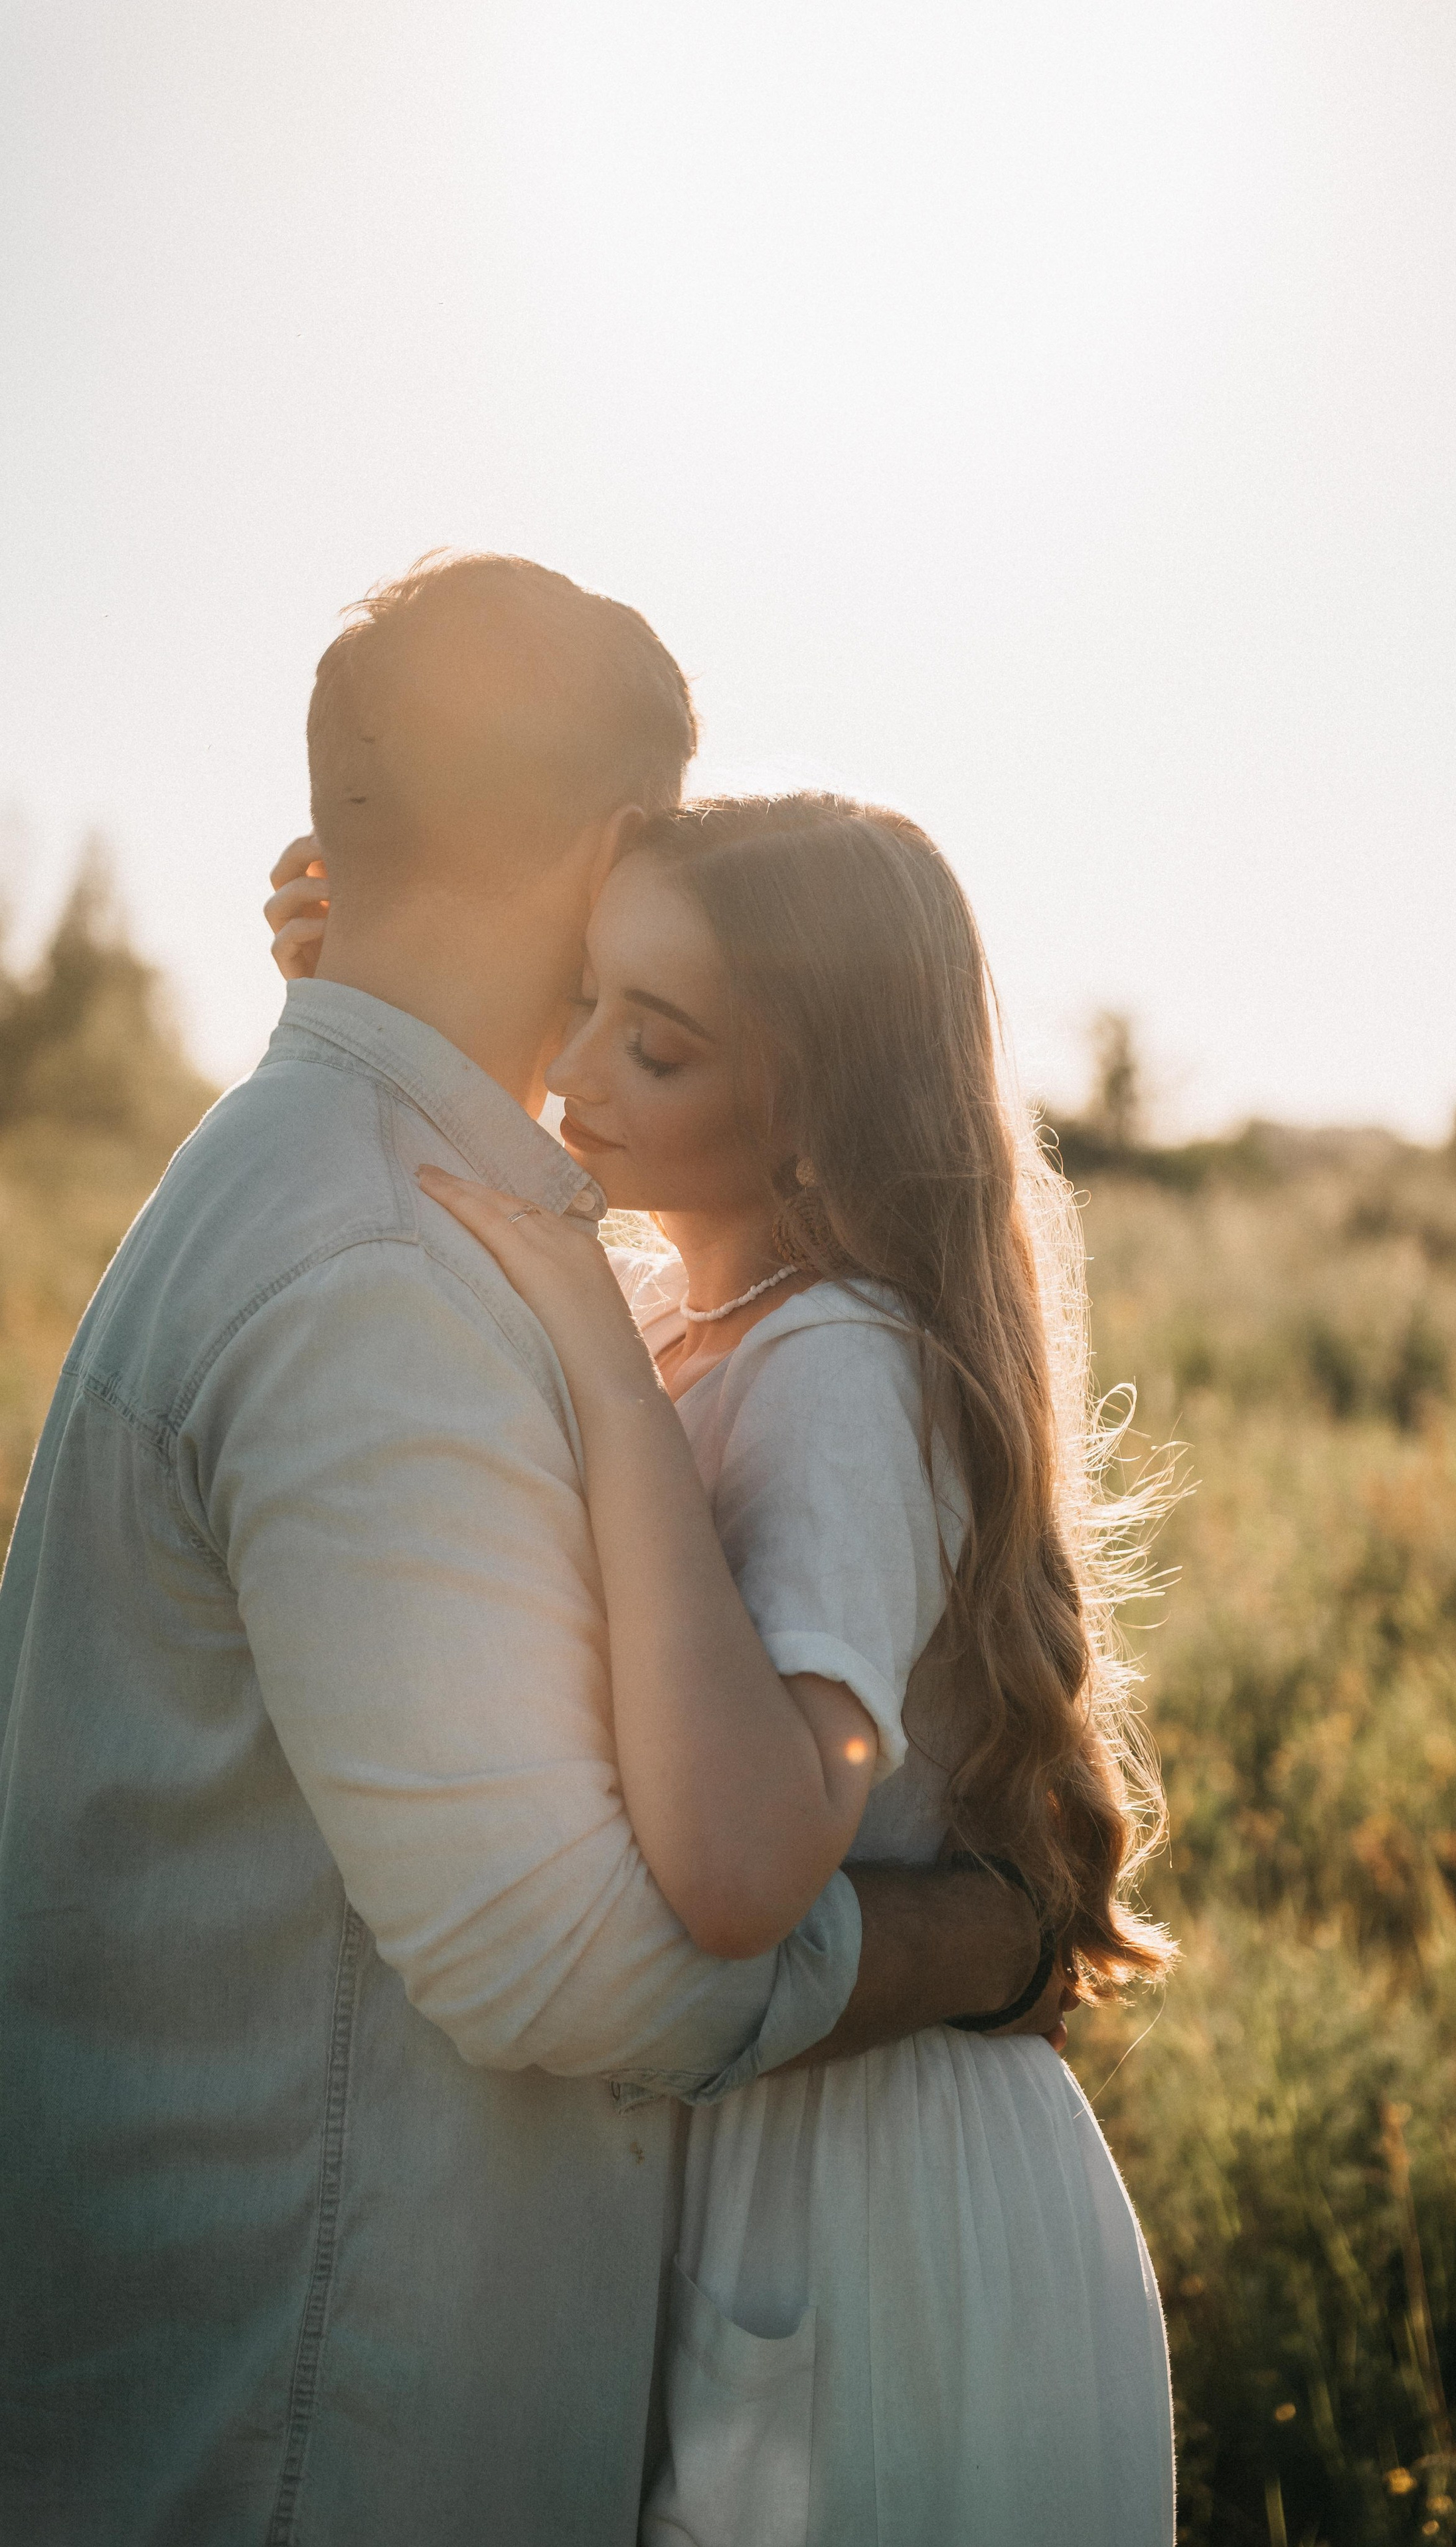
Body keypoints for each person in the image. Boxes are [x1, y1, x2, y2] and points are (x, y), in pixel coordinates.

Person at [0, 557, 1061, 2547]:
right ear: (614, 843)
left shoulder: (317, 1171)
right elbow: (558, 1954)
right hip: (311, 2436)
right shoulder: (382, 1262)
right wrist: (986, 1941)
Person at [386, 793, 1180, 2544]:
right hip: (770, 2167)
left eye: (655, 1043)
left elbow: (746, 1868)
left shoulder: (838, 1365)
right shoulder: (683, 1307)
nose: (572, 1069)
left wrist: (601, 1362)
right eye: (581, 997)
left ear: (813, 1099)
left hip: (875, 2210)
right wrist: (361, 984)